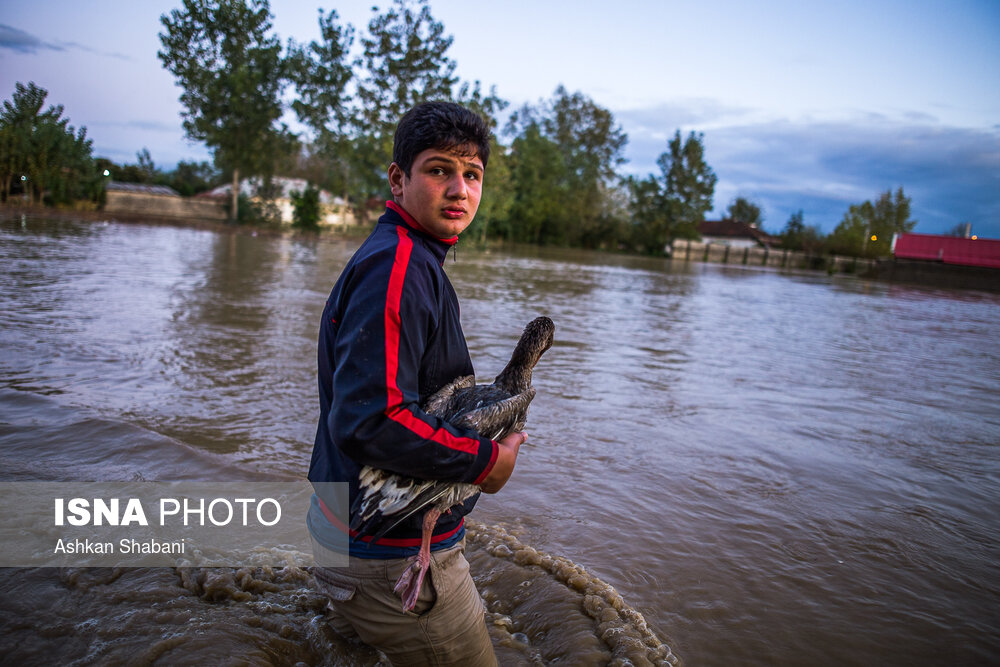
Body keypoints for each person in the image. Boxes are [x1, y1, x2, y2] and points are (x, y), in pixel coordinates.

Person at [307, 101, 525, 666]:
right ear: (399, 179)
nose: (459, 189)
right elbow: (370, 420)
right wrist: (487, 463)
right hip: (387, 556)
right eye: (439, 170)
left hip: (344, 529)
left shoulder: (410, 260)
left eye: (472, 175)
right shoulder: (398, 268)